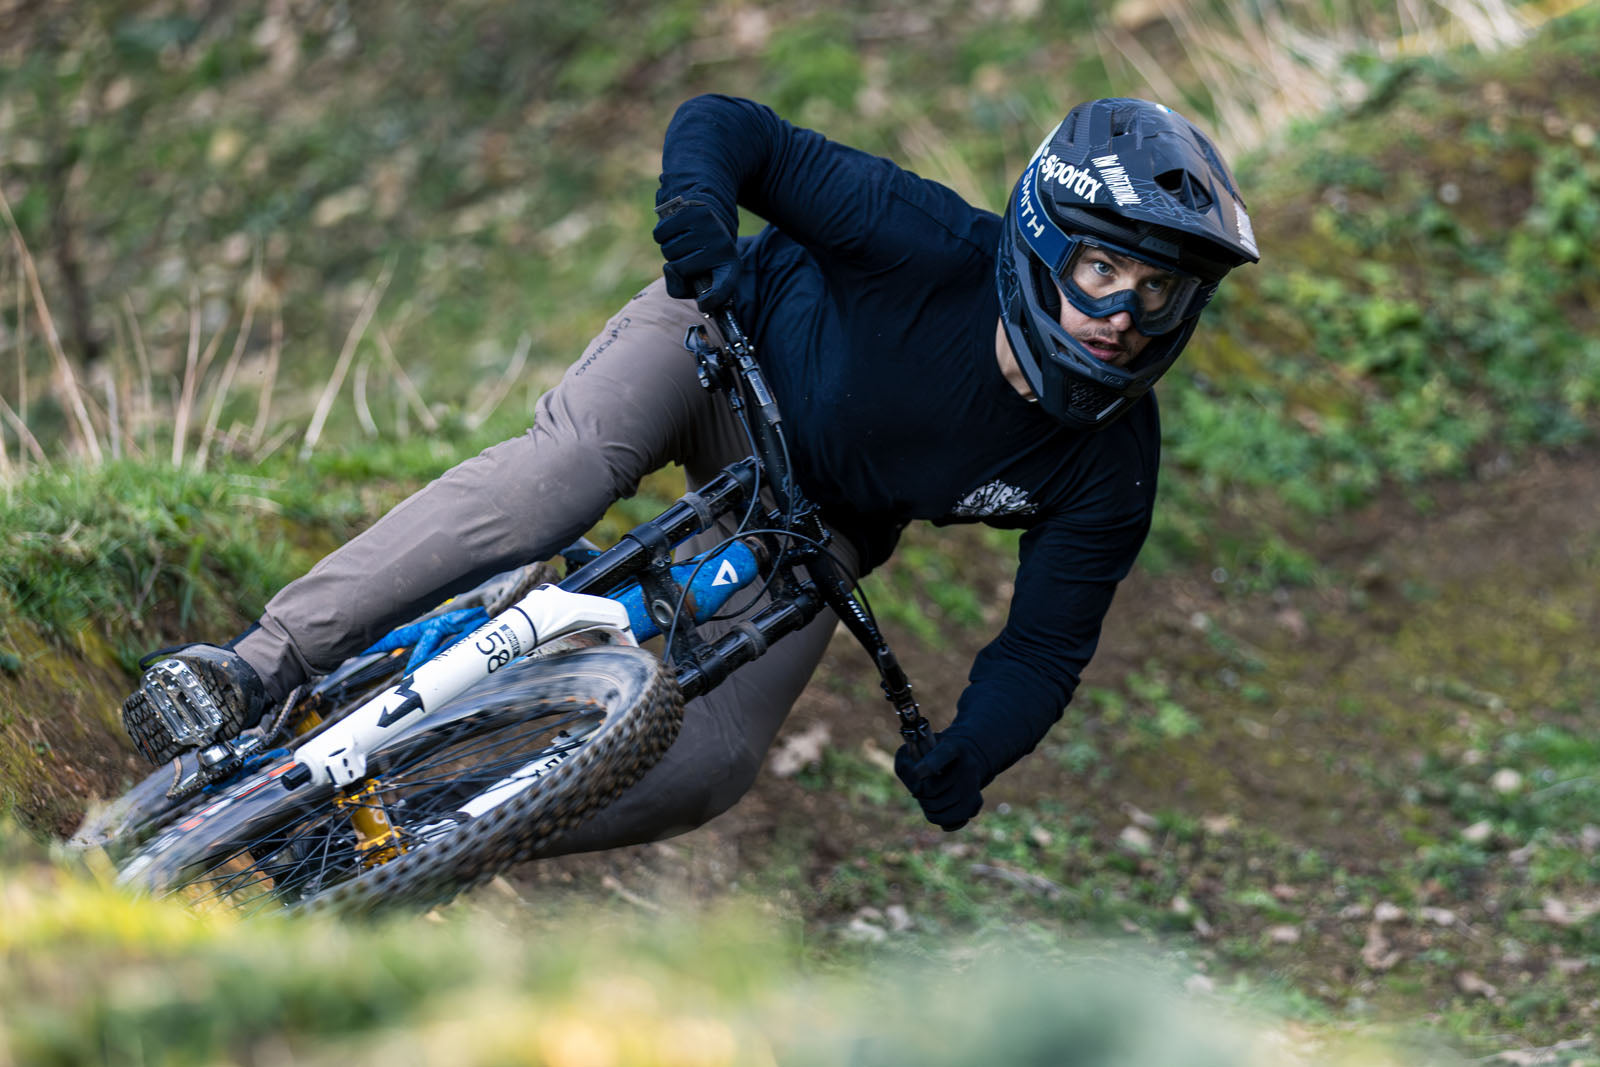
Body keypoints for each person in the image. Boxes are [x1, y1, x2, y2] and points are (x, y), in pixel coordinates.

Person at [121, 94, 1258, 844]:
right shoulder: (921, 241)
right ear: (1045, 242)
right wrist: (699, 216)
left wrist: (977, 747)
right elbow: (729, 127)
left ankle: (423, 839)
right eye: (1104, 268)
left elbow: (1045, 647)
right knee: (553, 482)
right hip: (715, 351)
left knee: (712, 756)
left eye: (1158, 288)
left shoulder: (1110, 460)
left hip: (815, 519)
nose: (1125, 312)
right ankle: (249, 669)